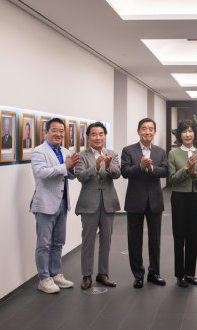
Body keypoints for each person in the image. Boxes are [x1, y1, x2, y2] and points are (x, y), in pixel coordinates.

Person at [30, 118, 79, 293]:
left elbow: (70, 176)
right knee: (43, 244)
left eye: (61, 131)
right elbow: (41, 173)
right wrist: (64, 166)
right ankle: (43, 278)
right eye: (55, 130)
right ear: (46, 132)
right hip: (45, 204)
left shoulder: (65, 150)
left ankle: (55, 273)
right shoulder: (39, 151)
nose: (58, 134)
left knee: (58, 241)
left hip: (62, 202)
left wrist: (72, 168)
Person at [121, 118, 168, 288]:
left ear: (154, 132)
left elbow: (164, 171)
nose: (147, 132)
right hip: (135, 200)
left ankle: (154, 272)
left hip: (154, 200)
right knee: (134, 239)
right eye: (144, 129)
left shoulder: (160, 152)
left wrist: (151, 168)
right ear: (138, 131)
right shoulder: (128, 151)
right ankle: (138, 274)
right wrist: (140, 166)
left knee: (155, 239)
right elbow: (124, 172)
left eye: (150, 129)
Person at [75, 122, 121, 290]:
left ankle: (103, 274)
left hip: (108, 202)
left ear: (105, 136)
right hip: (89, 203)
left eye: (101, 134)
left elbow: (117, 174)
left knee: (106, 240)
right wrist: (95, 167)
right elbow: (80, 176)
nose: (97, 137)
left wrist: (108, 167)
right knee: (87, 240)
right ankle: (86, 275)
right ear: (88, 137)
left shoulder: (112, 154)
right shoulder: (81, 156)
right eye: (94, 134)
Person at [167, 120, 197, 288]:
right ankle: (179, 274)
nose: (188, 134)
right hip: (179, 197)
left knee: (193, 235)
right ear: (180, 135)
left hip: (195, 197)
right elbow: (171, 179)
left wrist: (194, 173)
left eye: (191, 131)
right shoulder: (173, 153)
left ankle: (190, 273)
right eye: (184, 131)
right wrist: (185, 169)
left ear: (195, 134)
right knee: (179, 236)